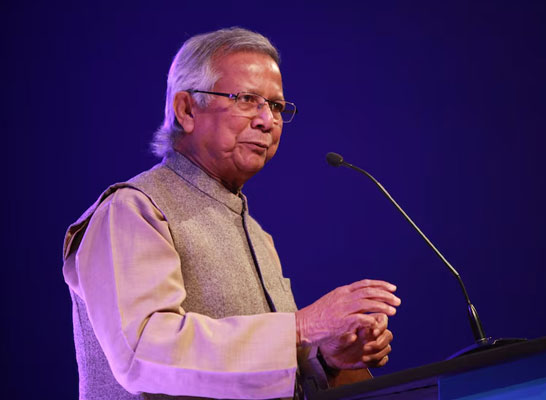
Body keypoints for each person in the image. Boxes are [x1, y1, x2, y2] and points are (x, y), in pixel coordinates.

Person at [61, 27, 401, 400]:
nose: (267, 120)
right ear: (187, 110)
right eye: (246, 99)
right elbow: (143, 351)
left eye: (275, 105)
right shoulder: (132, 209)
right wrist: (302, 326)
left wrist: (326, 358)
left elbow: (256, 367)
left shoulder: (257, 234)